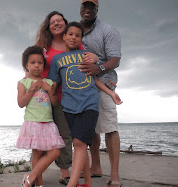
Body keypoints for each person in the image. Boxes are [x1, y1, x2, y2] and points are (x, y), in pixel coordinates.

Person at [48, 21, 122, 187]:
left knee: (79, 143)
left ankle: (72, 184)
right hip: (68, 107)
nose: (74, 38)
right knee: (77, 142)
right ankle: (87, 181)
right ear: (64, 36)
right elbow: (53, 85)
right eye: (71, 34)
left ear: (81, 39)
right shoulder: (57, 60)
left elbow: (94, 78)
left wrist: (111, 93)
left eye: (78, 35)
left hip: (89, 104)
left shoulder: (86, 55)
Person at [35, 11, 96, 185]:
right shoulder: (43, 45)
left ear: (65, 23)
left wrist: (96, 58)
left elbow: (88, 63)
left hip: (75, 98)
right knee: (55, 136)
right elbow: (33, 63)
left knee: (74, 138)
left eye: (59, 20)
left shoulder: (74, 42)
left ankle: (73, 175)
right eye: (52, 21)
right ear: (48, 26)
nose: (56, 23)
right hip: (49, 96)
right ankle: (61, 173)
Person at [78, 0, 122, 186]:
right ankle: (95, 167)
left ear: (97, 9)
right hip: (82, 87)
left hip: (104, 83)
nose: (88, 9)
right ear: (80, 8)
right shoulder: (76, 30)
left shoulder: (108, 30)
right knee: (91, 130)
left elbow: (115, 59)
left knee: (110, 128)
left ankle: (114, 176)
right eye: (84, 6)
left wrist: (100, 67)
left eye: (92, 6)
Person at [16, 46, 66, 187]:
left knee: (55, 152)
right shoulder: (23, 83)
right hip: (33, 123)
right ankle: (39, 182)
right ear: (26, 65)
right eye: (32, 63)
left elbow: (55, 103)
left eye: (39, 62)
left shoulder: (49, 82)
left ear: (43, 65)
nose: (36, 65)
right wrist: (31, 90)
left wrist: (49, 90)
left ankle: (30, 177)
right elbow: (21, 103)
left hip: (48, 123)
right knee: (37, 153)